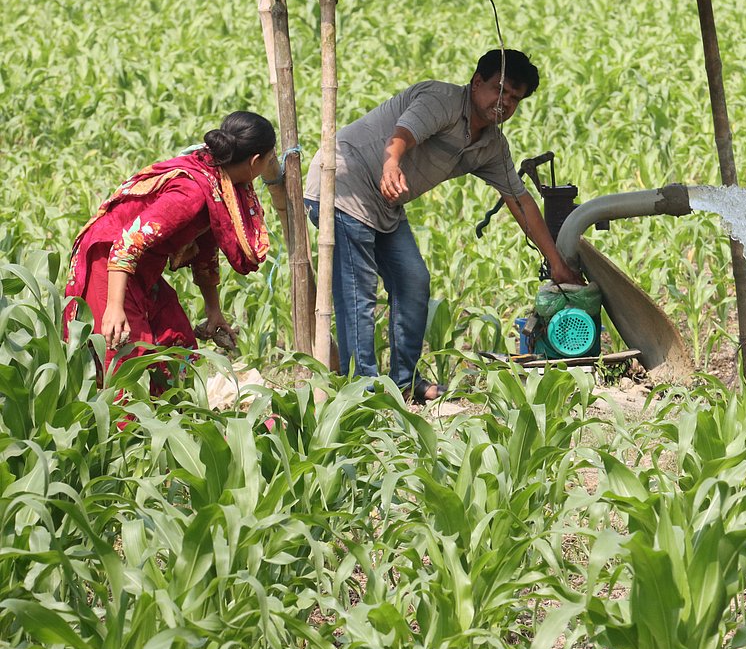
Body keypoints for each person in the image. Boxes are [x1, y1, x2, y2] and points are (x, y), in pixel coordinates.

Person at [304, 49, 582, 403]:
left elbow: (520, 200)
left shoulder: (491, 145)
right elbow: (404, 133)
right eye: (500, 89)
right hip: (344, 182)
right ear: (477, 82)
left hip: (385, 204)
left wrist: (557, 263)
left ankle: (404, 382)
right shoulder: (442, 99)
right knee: (359, 294)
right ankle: (362, 393)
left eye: (514, 98)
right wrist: (391, 163)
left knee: (413, 281)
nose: (505, 103)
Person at [64, 111, 274, 390]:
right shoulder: (192, 192)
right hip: (110, 264)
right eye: (270, 160)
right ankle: (126, 430)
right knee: (127, 364)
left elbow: (206, 248)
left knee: (177, 343)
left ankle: (172, 424)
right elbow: (127, 242)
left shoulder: (217, 179)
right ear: (255, 161)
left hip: (140, 269)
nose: (270, 166)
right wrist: (114, 307)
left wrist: (214, 311)